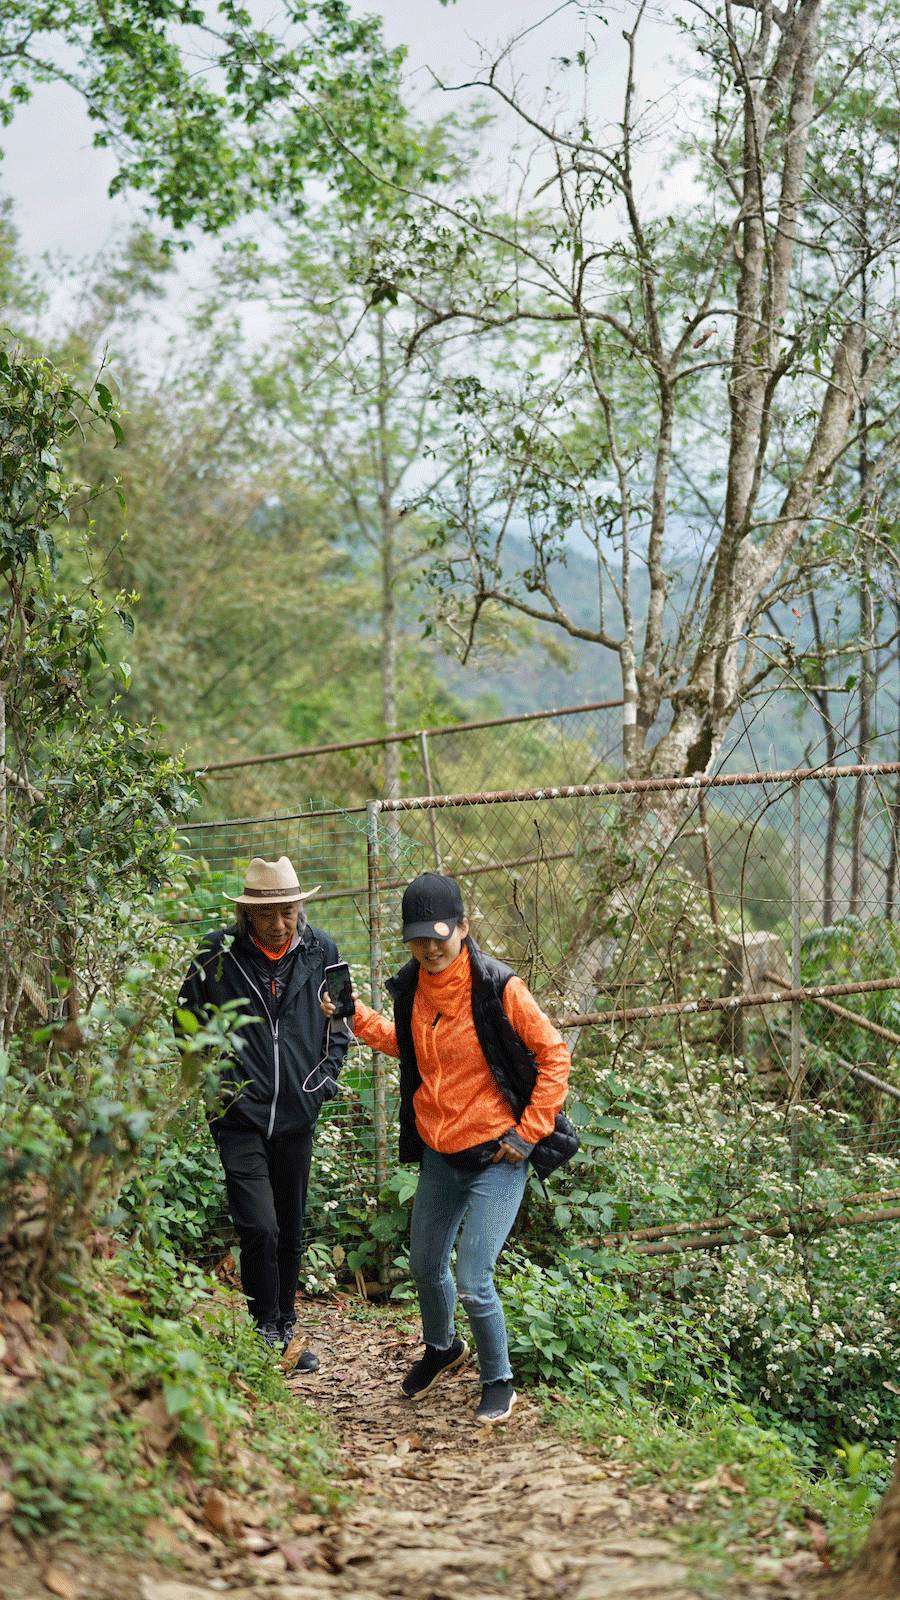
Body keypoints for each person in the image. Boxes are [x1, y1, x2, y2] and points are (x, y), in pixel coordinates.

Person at [321, 870, 570, 1425]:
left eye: (439, 936)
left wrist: (529, 1131)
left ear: (463, 927)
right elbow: (403, 1043)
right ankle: (442, 1347)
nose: (430, 948)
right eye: (418, 939)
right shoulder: (412, 986)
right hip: (440, 1153)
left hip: (497, 1157)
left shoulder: (499, 986)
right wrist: (352, 1015)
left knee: (474, 1277)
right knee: (425, 1264)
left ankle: (498, 1380)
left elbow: (554, 1056)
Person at [178, 855, 350, 1371]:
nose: (280, 923)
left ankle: (285, 1326)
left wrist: (322, 1081)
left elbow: (342, 1019)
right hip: (238, 1115)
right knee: (259, 1226)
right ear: (247, 914)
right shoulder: (217, 955)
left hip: (297, 1111)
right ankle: (263, 1329)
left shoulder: (323, 951)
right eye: (268, 914)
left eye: (289, 912)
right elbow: (186, 1021)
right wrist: (214, 1082)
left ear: (300, 907)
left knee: (291, 1227)